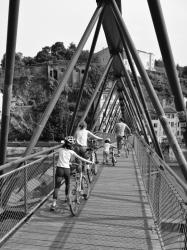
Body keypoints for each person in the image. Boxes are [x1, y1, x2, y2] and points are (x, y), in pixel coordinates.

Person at [50, 136, 93, 211]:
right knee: (67, 184)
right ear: (72, 145)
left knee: (57, 187)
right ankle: (67, 198)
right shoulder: (71, 152)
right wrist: (89, 161)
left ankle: (54, 204)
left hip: (59, 169)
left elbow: (52, 152)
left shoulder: (60, 150)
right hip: (67, 169)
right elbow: (81, 158)